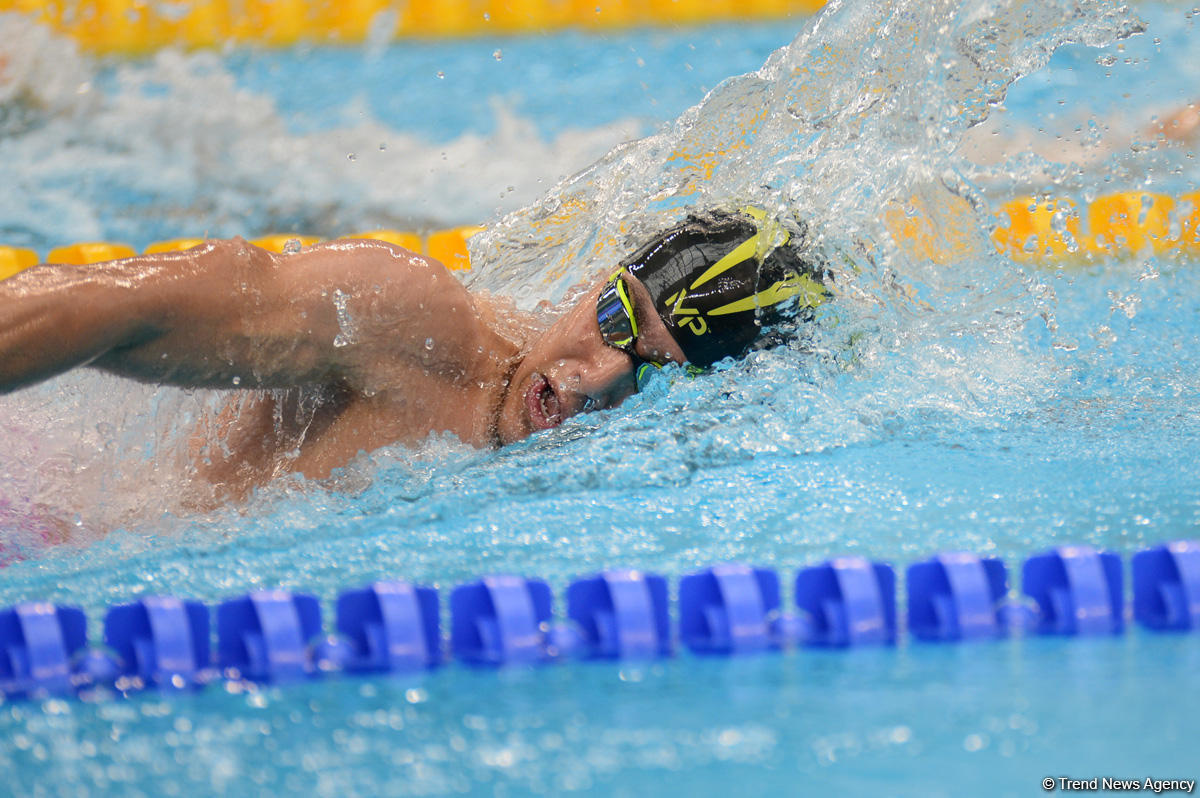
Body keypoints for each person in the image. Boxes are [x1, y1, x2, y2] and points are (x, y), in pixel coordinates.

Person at [0, 208, 826, 496]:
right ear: (592, 279)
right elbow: (118, 306)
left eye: (654, 377)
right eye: (618, 319)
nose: (596, 378)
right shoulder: (406, 321)